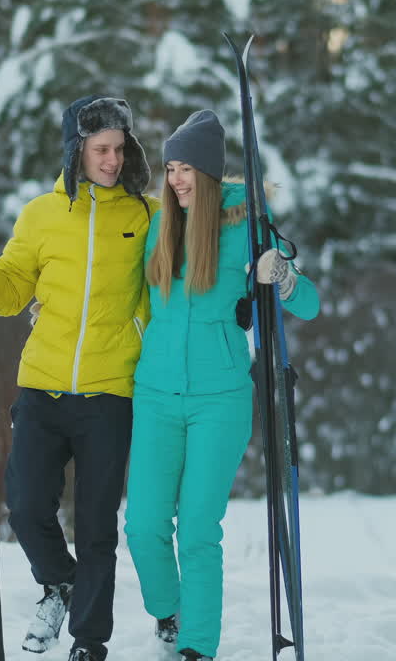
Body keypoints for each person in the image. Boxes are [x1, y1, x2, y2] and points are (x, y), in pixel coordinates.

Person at [0, 95, 159, 661]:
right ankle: (58, 582)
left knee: (96, 528)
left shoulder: (147, 216)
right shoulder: (41, 214)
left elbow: (179, 277)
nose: (112, 161)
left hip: (111, 391)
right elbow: (9, 293)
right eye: (100, 149)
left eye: (120, 149)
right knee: (26, 505)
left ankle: (90, 640)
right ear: (76, 151)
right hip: (42, 385)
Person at [123, 110, 320, 661]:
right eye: (170, 168)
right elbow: (129, 295)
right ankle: (169, 613)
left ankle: (196, 647)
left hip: (220, 399)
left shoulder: (249, 226)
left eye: (186, 168)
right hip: (156, 394)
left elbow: (310, 302)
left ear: (209, 174)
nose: (177, 179)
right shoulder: (160, 224)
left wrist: (281, 277)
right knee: (142, 526)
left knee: (199, 531)